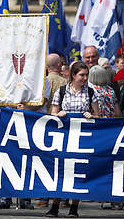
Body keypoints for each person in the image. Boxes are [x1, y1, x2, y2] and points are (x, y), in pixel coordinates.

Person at [48, 61, 99, 217]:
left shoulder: (91, 92)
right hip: (64, 137)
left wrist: (92, 116)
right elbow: (52, 114)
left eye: (86, 75)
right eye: (81, 75)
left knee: (78, 171)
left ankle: (74, 208)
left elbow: (98, 115)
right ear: (73, 75)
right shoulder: (61, 91)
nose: (84, 78)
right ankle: (55, 206)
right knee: (61, 171)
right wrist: (59, 114)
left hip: (82, 137)